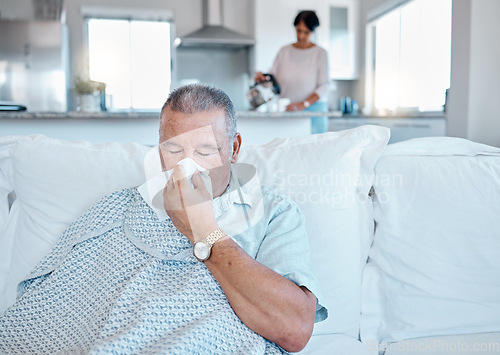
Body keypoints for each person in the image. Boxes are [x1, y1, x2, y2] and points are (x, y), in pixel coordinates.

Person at [0, 83, 327, 354]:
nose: (187, 169)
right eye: (173, 151)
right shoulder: (120, 207)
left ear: (235, 148)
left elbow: (295, 330)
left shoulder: (273, 213)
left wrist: (203, 230)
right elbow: (55, 304)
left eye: (204, 151)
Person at [255, 10, 330, 134]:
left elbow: (324, 86)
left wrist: (303, 104)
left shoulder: (320, 54)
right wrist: (263, 78)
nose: (301, 36)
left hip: (314, 113)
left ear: (313, 31)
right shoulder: (284, 51)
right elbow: (273, 78)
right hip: (288, 111)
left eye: (306, 32)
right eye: (298, 30)